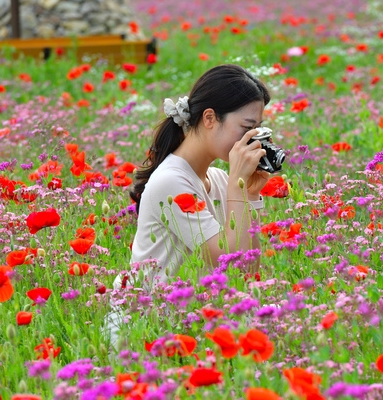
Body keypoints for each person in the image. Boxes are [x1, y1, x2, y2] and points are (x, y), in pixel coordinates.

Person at [103, 65, 272, 347]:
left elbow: (248, 267)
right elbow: (228, 263)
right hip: (148, 332)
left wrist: (249, 195)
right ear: (210, 118)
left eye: (257, 130)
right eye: (246, 128)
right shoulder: (172, 181)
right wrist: (237, 187)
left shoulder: (216, 179)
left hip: (189, 321)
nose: (252, 141)